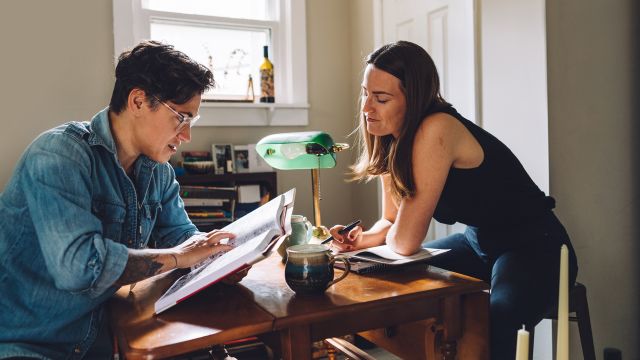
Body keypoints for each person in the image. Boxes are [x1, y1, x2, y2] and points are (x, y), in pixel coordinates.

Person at [329, 41, 578, 360]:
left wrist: (387, 237)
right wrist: (361, 240)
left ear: (414, 99)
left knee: (498, 316)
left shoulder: (436, 129)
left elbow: (404, 242)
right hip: (478, 243)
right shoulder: (393, 138)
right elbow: (391, 222)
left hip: (534, 247)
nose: (366, 108)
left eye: (381, 98)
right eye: (365, 93)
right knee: (374, 274)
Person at [0, 41, 247, 359]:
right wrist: (178, 257)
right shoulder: (59, 154)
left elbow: (182, 237)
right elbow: (79, 268)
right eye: (181, 118)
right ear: (138, 101)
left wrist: (218, 258)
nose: (186, 136)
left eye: (191, 121)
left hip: (105, 339)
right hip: (26, 344)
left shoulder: (158, 172)